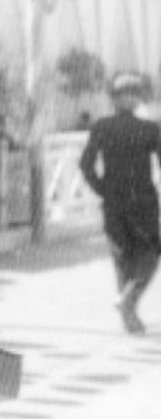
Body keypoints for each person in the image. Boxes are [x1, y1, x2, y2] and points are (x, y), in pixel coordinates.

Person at [79, 71, 161, 334]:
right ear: (137, 99)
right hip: (143, 203)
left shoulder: (101, 127)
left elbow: (85, 164)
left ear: (113, 99)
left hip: (113, 202)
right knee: (150, 252)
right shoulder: (150, 129)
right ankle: (129, 300)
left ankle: (129, 315)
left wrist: (102, 189)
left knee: (122, 257)